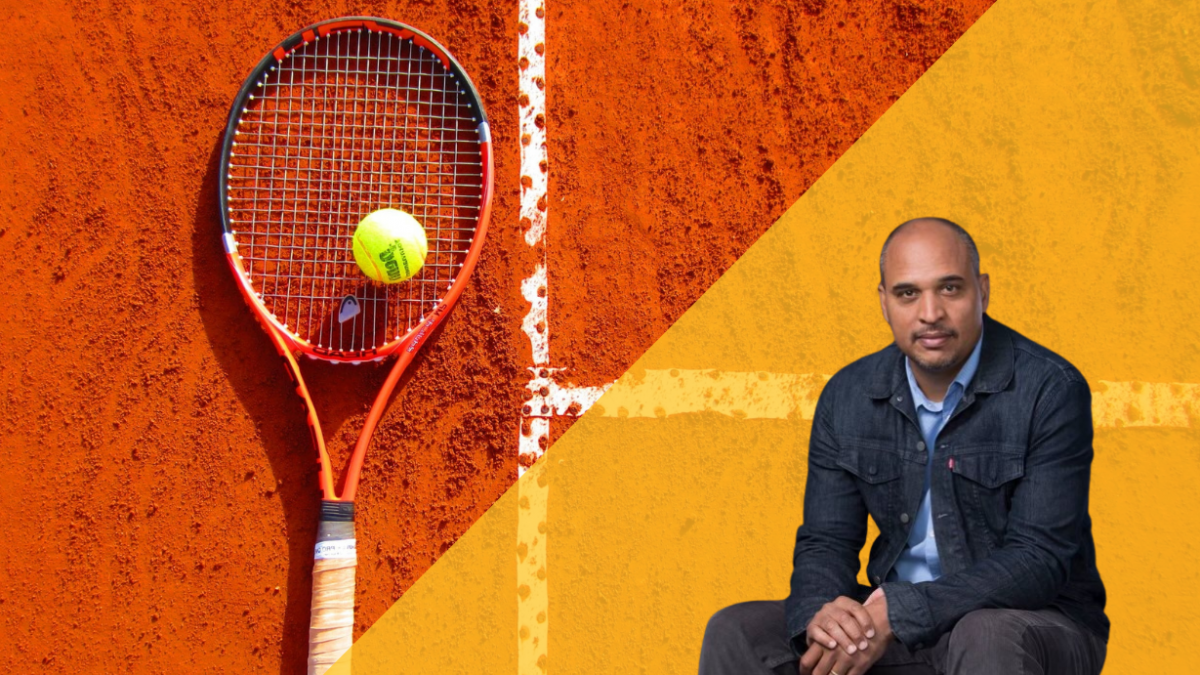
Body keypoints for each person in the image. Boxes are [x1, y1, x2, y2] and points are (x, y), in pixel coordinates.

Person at [698, 218, 1109, 675]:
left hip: (1033, 622)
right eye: (908, 293)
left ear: (983, 291)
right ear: (884, 302)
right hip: (890, 616)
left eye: (950, 289)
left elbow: (1039, 560)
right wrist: (823, 614)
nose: (930, 312)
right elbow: (826, 540)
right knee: (736, 631)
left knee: (986, 634)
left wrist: (902, 610)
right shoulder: (849, 394)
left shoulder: (1049, 389)